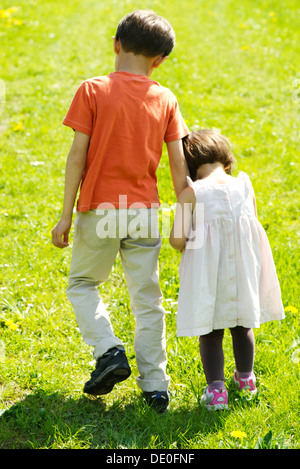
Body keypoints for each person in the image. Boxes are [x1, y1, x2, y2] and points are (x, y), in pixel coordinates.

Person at [51, 10, 189, 412]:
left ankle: (108, 350)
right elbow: (179, 167)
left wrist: (65, 215)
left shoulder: (92, 91)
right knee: (147, 297)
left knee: (82, 284)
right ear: (159, 60)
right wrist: (187, 219)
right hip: (144, 210)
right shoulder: (165, 98)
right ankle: (156, 384)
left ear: (115, 44)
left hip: (99, 207)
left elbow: (77, 157)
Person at [169, 129, 285, 411]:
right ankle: (246, 381)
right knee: (242, 325)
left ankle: (217, 392)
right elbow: (253, 225)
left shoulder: (191, 192)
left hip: (208, 273)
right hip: (242, 269)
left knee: (210, 331)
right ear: (225, 157)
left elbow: (177, 240)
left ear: (191, 164)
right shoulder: (244, 185)